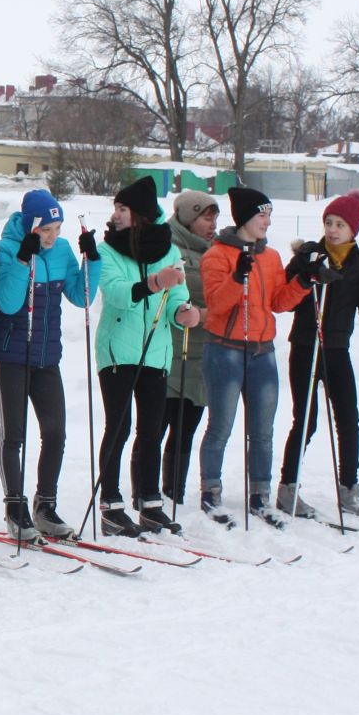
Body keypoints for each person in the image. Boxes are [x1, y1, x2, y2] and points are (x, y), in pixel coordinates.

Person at [0, 188, 98, 542]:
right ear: (31, 225)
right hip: (11, 355)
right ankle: (15, 508)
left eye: (57, 228)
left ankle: (45, 506)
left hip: (47, 357)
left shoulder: (62, 250)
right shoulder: (8, 249)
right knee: (14, 435)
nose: (51, 236)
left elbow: (81, 296)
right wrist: (23, 261)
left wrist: (91, 262)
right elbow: (6, 303)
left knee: (55, 433)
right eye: (45, 229)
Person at [92, 175, 200, 537]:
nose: (117, 215)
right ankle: (110, 502)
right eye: (116, 208)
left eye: (123, 209)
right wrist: (155, 283)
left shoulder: (168, 252)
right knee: (119, 427)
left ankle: (151, 502)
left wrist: (185, 313)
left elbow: (175, 299)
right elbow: (117, 292)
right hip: (118, 352)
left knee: (152, 428)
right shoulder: (107, 250)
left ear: (139, 215)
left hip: (156, 353)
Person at [198, 185, 308, 529]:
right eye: (262, 215)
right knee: (221, 427)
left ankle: (260, 494)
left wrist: (304, 282)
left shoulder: (271, 257)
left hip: (263, 352)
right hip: (226, 351)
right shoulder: (217, 256)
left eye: (270, 215)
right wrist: (237, 277)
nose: (267, 221)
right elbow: (217, 304)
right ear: (245, 217)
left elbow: (278, 302)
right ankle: (210, 491)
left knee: (262, 430)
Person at [277, 189, 359, 521]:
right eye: (329, 222)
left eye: (340, 224)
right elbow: (285, 297)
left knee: (348, 420)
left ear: (354, 229)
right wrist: (307, 278)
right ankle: (288, 489)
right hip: (306, 347)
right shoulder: (311, 255)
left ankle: (349, 489)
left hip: (338, 349)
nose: (333, 229)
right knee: (306, 421)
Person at [161, 190, 217, 513]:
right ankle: (152, 490)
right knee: (160, 424)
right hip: (172, 350)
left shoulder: (216, 250)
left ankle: (175, 491)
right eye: (205, 217)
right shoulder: (169, 247)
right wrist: (203, 313)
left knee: (187, 425)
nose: (211, 225)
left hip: (201, 353)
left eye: (214, 218)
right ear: (186, 216)